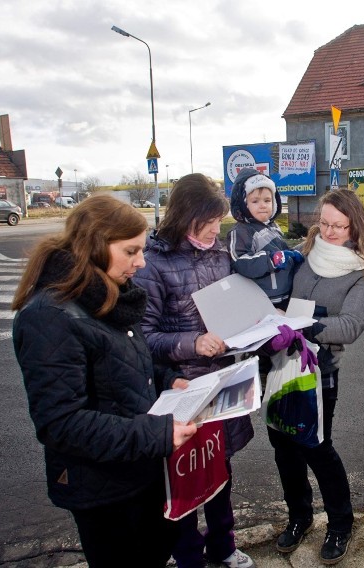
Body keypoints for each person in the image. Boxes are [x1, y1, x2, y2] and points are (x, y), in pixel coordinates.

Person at [11, 195, 197, 568]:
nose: (141, 262)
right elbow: (61, 423)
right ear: (95, 245)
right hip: (103, 488)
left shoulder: (108, 294)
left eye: (142, 250)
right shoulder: (50, 317)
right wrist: (155, 435)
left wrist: (167, 380)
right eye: (131, 251)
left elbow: (123, 366)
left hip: (138, 470)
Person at [132, 174, 255, 568]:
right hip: (181, 385)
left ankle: (224, 545)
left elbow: (234, 304)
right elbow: (142, 337)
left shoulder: (221, 253)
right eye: (210, 222)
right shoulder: (153, 263)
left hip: (221, 379)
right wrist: (192, 342)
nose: (217, 230)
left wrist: (254, 326)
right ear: (187, 216)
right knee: (182, 477)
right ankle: (188, 556)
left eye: (220, 222)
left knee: (220, 470)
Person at [269, 189, 364, 565]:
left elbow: (351, 325)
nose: (330, 231)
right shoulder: (307, 252)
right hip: (280, 366)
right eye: (324, 222)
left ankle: (340, 523)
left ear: (355, 224)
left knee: (316, 449)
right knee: (283, 449)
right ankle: (300, 517)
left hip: (320, 371)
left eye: (339, 225)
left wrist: (305, 326)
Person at [227, 168, 304, 310]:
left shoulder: (274, 227)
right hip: (260, 301)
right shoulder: (240, 231)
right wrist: (271, 260)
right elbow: (240, 262)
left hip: (285, 296)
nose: (262, 205)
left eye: (267, 200)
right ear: (243, 204)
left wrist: (293, 255)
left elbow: (281, 254)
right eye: (255, 201)